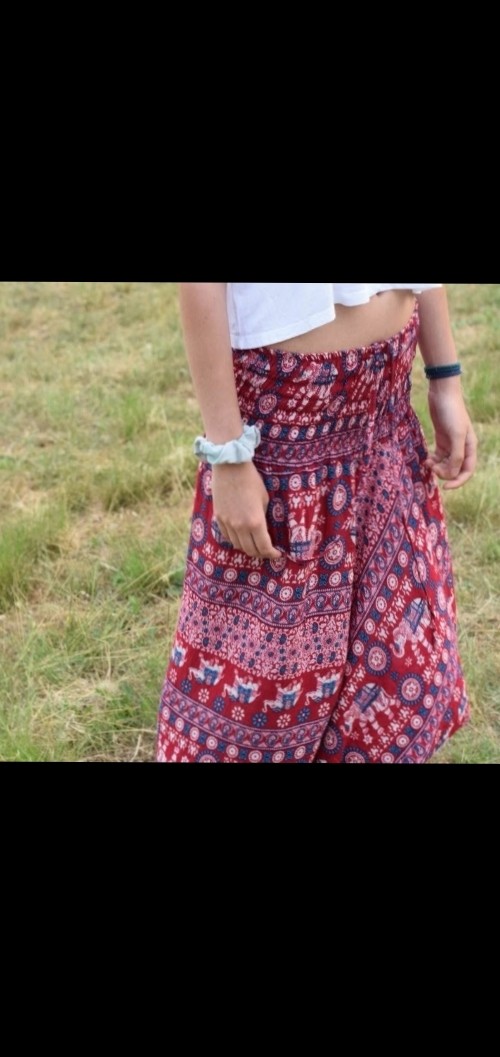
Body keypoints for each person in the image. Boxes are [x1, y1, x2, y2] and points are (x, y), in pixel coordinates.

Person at [157, 284, 477, 764]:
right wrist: (228, 453)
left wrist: (444, 376)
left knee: (393, 679)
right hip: (286, 431)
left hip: (386, 412)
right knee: (258, 703)